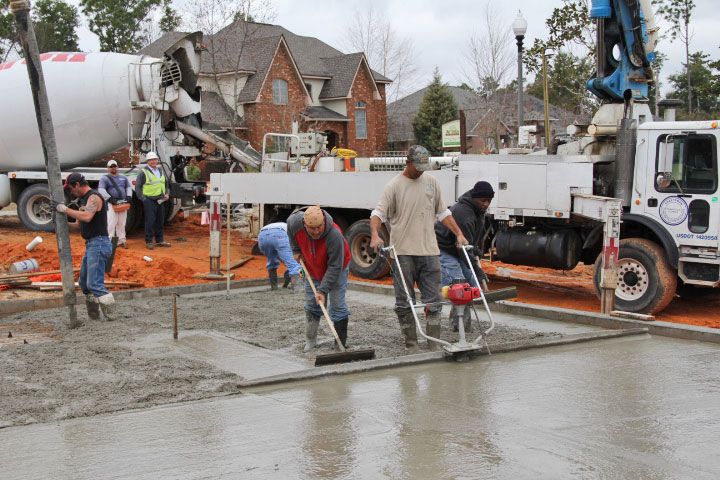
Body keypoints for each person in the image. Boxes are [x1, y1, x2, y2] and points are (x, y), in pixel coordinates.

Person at [369, 145, 469, 351]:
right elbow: (377, 214)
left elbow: (443, 213)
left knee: (434, 301)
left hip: (430, 252)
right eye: (418, 166)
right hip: (403, 252)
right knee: (405, 301)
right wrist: (375, 235)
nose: (422, 170)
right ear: (408, 162)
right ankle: (411, 344)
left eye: (424, 166)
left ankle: (433, 344)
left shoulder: (431, 182)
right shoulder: (394, 186)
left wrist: (458, 233)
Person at [287, 206, 351, 352]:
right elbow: (290, 229)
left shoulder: (334, 235)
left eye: (319, 227)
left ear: (323, 222)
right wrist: (295, 249)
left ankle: (340, 344)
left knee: (337, 305)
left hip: (337, 268)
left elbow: (335, 266)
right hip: (312, 267)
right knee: (312, 304)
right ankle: (310, 341)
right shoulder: (295, 222)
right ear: (304, 225)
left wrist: (322, 290)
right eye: (312, 228)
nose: (316, 231)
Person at [435, 181, 494, 331]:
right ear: (475, 198)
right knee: (460, 286)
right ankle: (455, 325)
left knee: (470, 286)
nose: (486, 204)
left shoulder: (478, 209)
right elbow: (462, 249)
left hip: (459, 249)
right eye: (483, 201)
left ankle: (462, 326)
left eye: (489, 201)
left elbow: (470, 241)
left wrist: (475, 250)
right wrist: (478, 271)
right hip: (444, 249)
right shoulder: (464, 213)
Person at [56, 173, 116, 320]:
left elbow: (87, 217)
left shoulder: (93, 197)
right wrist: (61, 224)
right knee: (84, 283)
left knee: (94, 283)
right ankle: (94, 314)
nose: (71, 192)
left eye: (71, 188)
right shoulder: (84, 199)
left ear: (77, 184)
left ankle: (112, 315)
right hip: (91, 244)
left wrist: (65, 210)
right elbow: (79, 225)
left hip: (99, 243)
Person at [134, 151, 170, 250]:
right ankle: (149, 241)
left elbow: (165, 184)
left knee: (160, 220)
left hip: (160, 199)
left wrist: (167, 193)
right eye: (151, 160)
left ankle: (160, 240)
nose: (154, 161)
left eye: (155, 159)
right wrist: (143, 199)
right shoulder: (143, 172)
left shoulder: (160, 170)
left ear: (157, 160)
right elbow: (138, 187)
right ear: (148, 161)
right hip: (149, 200)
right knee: (150, 221)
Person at [257, 221, 302, 291]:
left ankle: (274, 287)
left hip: (262, 236)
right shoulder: (297, 233)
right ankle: (298, 288)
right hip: (280, 234)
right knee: (294, 265)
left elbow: (282, 257)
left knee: (272, 262)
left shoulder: (289, 227)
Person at [98, 159, 133, 249]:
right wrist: (109, 198)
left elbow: (128, 187)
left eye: (115, 166)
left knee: (122, 223)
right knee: (111, 223)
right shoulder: (104, 178)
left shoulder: (123, 177)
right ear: (108, 169)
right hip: (111, 203)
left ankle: (121, 241)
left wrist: (129, 196)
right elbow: (101, 189)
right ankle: (109, 242)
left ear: (117, 167)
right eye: (111, 167)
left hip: (122, 203)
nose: (113, 168)